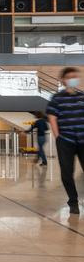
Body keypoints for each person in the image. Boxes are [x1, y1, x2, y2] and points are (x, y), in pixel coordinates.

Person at [47, 67, 84, 215]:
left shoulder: (82, 96)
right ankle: (73, 201)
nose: (73, 79)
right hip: (66, 140)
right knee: (67, 173)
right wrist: (58, 137)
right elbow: (52, 117)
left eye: (75, 76)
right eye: (69, 77)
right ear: (63, 80)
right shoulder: (57, 98)